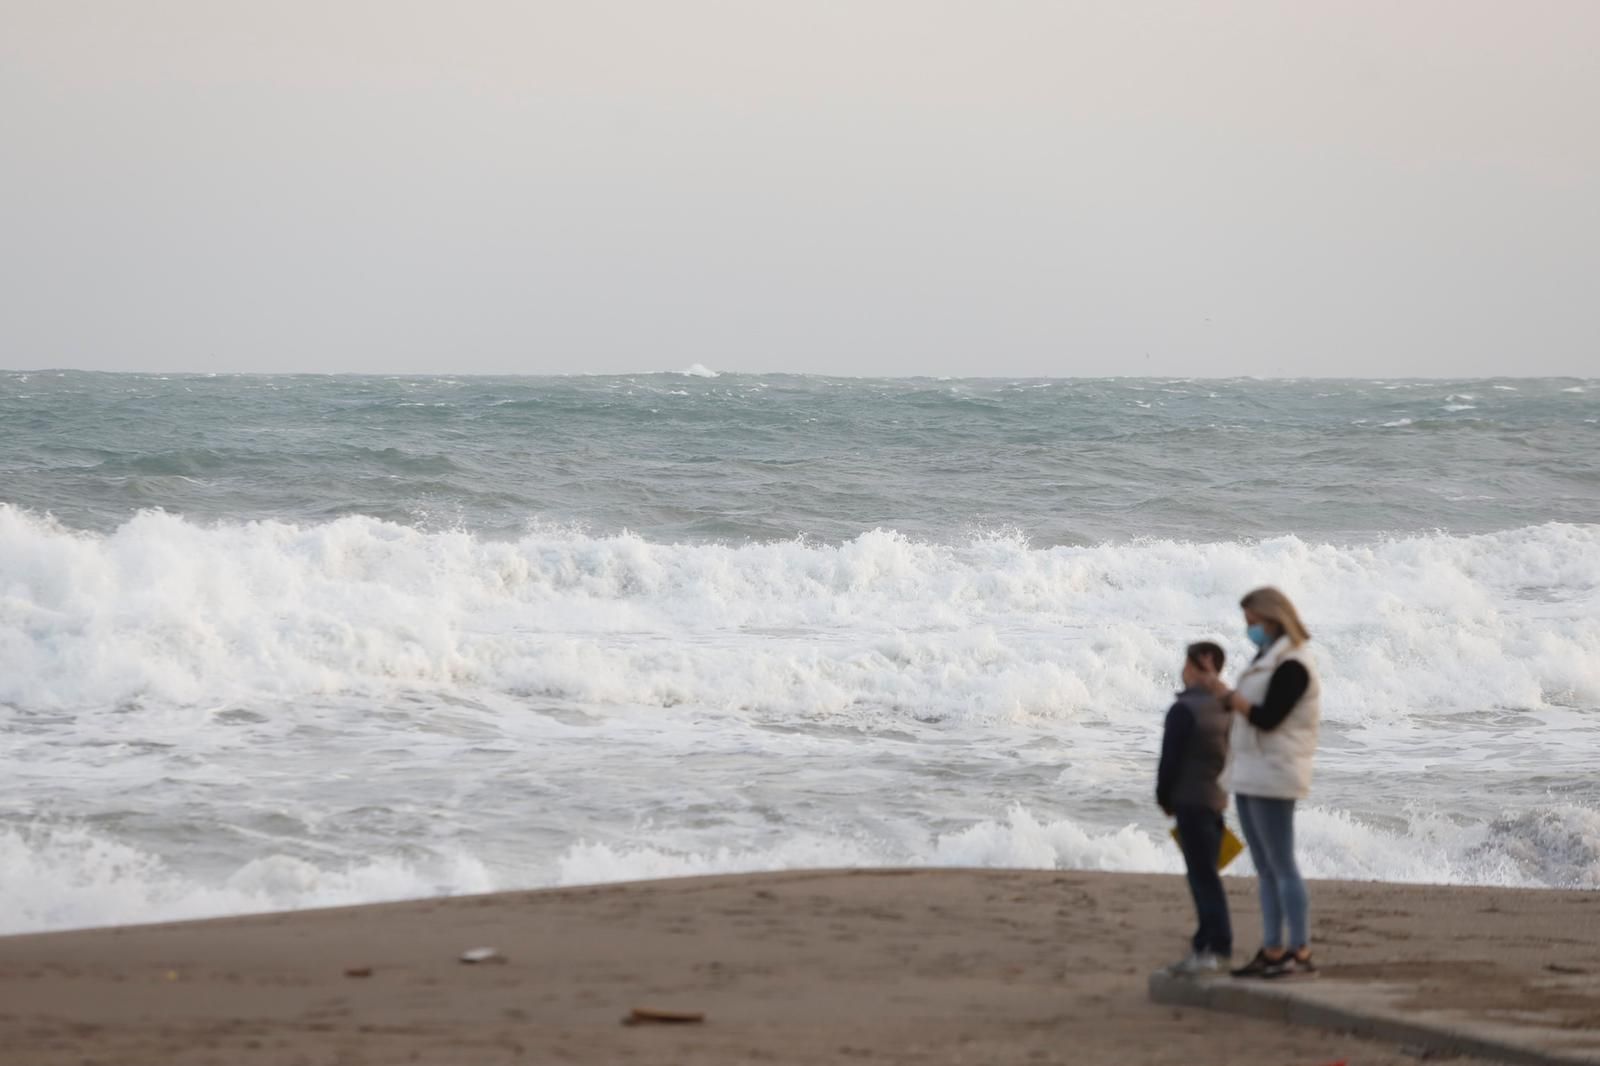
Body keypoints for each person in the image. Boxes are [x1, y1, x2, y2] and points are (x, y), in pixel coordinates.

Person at [1218, 587, 1321, 979]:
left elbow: (1268, 717)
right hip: (1251, 771)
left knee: (1282, 864)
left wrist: (1230, 698)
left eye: (1252, 623)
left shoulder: (1294, 664)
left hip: (1276, 773)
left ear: (1273, 619)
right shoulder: (1267, 657)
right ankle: (1273, 947)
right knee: (1265, 867)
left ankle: (1299, 949)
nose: (1249, 630)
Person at [1156, 640, 1232, 975]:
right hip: (1217, 799)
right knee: (1208, 874)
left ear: (1193, 666)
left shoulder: (1184, 710)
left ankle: (1213, 946)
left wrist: (1164, 799)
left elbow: (1168, 763)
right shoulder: (1226, 707)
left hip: (1191, 801)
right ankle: (1207, 940)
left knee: (1202, 878)